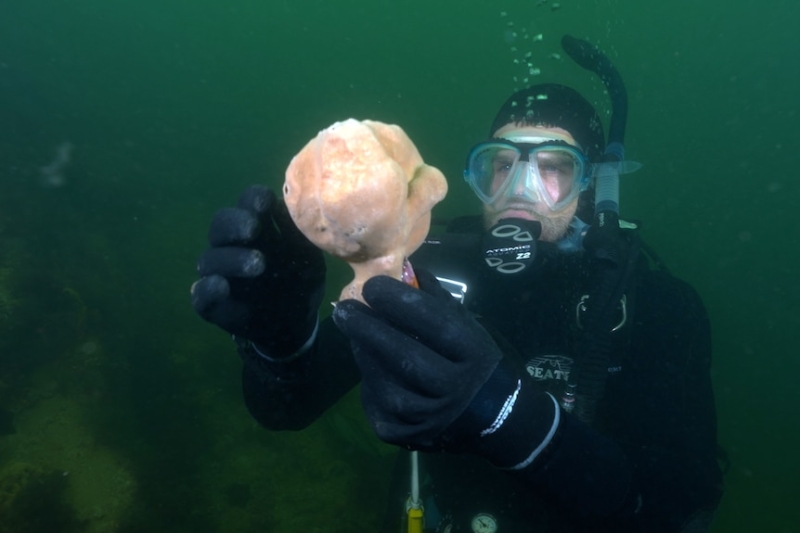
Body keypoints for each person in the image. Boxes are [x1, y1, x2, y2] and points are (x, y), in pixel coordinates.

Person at [191, 38, 723, 533]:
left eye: (554, 167)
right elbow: (287, 408)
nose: (520, 188)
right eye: (500, 164)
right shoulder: (424, 276)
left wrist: (514, 419)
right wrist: (280, 342)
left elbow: (682, 501)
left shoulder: (653, 305)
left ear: (588, 188)